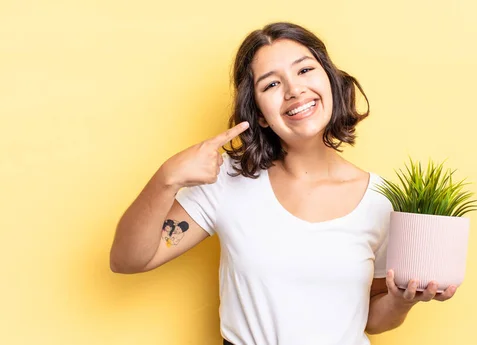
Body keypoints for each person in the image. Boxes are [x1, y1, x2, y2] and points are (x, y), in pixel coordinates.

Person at [110, 22, 457, 345]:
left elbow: (371, 320)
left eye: (305, 70)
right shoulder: (226, 180)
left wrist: (400, 301)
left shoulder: (381, 199)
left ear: (331, 82)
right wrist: (166, 177)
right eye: (271, 84)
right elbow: (128, 260)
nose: (294, 90)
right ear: (259, 113)